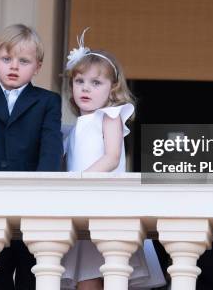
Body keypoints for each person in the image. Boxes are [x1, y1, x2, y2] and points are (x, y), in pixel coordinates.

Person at [60, 29, 166, 290]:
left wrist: (80, 181)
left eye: (96, 83)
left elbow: (111, 157)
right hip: (81, 206)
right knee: (85, 279)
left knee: (100, 275)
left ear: (112, 89)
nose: (85, 88)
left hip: (101, 203)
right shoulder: (73, 127)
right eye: (79, 81)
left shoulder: (109, 117)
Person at [0, 24, 63, 290]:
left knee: (32, 273)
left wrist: (40, 192)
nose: (14, 66)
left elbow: (51, 151)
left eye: (24, 61)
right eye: (6, 59)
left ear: (38, 66)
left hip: (35, 203)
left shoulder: (48, 101)